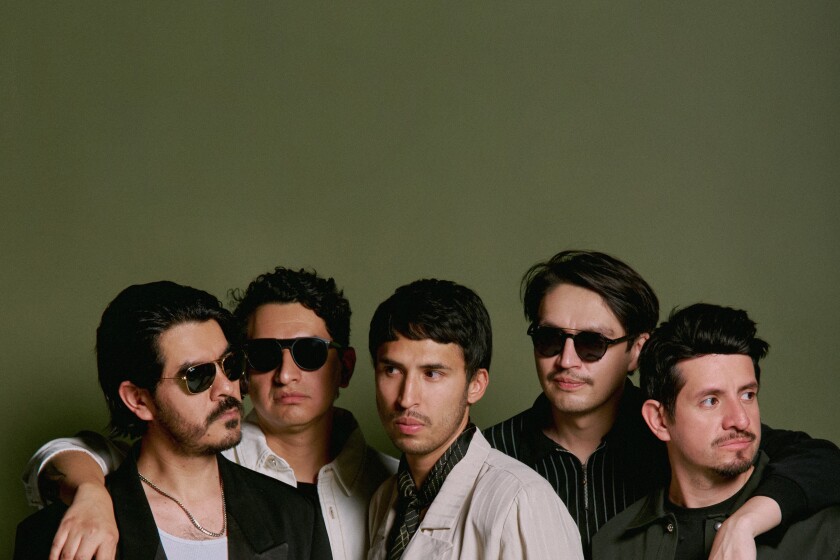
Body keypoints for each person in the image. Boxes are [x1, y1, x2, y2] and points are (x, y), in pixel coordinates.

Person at [484, 250, 840, 557]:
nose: (566, 360)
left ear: (636, 350)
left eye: (592, 343)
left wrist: (744, 522)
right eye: (549, 338)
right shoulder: (489, 455)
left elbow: (820, 461)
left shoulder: (682, 431)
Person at [23, 268, 397, 560]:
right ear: (138, 400)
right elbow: (72, 453)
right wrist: (89, 491)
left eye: (230, 365)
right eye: (197, 376)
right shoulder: (67, 528)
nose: (226, 388)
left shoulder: (308, 512)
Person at [592, 303, 840, 558]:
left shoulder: (826, 531)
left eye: (747, 395)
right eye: (711, 401)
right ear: (659, 420)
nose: (740, 420)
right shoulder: (613, 547)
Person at [366, 279, 583, 560]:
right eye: (392, 370)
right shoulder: (384, 499)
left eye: (432, 374)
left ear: (476, 385)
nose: (406, 398)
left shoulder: (522, 502)